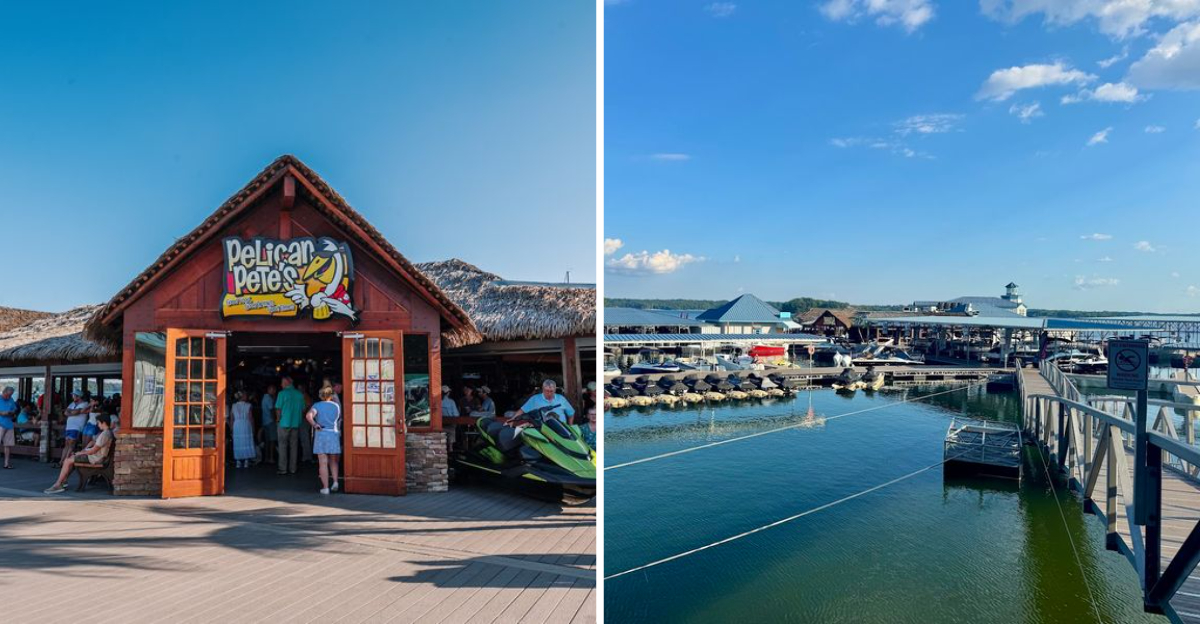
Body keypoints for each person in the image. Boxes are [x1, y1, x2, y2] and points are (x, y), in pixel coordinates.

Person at [44, 413, 113, 494]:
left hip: (95, 458)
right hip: (96, 456)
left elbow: (93, 451)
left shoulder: (104, 434)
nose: (97, 425)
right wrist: (84, 450)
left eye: (98, 423)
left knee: (67, 460)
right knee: (72, 458)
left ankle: (58, 484)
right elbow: (94, 442)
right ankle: (64, 481)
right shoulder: (107, 433)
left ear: (103, 422)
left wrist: (80, 453)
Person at [306, 386, 342, 495]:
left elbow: (308, 416)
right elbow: (338, 418)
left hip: (322, 434)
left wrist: (315, 424)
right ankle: (335, 482)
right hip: (333, 434)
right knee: (333, 461)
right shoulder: (336, 406)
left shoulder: (317, 405)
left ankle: (325, 488)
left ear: (320, 395)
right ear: (330, 395)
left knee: (323, 463)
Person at [275, 376, 305, 475]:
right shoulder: (299, 394)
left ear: (286, 383)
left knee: (282, 446)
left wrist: (278, 419)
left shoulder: (281, 393)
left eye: (282, 382)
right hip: (295, 423)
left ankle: (283, 468)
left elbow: (278, 409)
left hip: (283, 423)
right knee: (294, 446)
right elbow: (303, 409)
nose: (281, 385)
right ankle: (293, 468)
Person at [59, 390, 90, 467]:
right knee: (66, 444)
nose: (73, 397)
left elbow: (75, 412)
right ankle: (61, 462)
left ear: (79, 397)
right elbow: (66, 413)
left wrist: (72, 412)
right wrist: (75, 412)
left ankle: (65, 462)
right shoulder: (72, 403)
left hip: (77, 426)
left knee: (71, 443)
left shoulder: (85, 404)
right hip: (69, 426)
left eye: (74, 395)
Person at [231, 391, 255, 468]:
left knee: (238, 442)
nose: (246, 396)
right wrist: (253, 427)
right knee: (246, 441)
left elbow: (232, 418)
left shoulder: (233, 406)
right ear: (242, 397)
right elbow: (250, 417)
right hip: (245, 424)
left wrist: (232, 428)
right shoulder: (248, 405)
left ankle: (238, 461)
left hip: (237, 425)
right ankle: (246, 461)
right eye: (245, 395)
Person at [0, 387, 17, 469]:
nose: (9, 396)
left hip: (9, 425)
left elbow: (14, 409)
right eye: (8, 395)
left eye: (10, 395)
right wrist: (2, 413)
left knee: (8, 445)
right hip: (0, 424)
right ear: (4, 392)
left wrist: (11, 412)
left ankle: (6, 464)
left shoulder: (11, 399)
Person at [260, 384, 277, 464]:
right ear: (270, 390)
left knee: (267, 441)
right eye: (273, 390)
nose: (274, 392)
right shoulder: (269, 398)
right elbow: (271, 410)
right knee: (272, 440)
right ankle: (271, 458)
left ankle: (266, 458)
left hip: (265, 421)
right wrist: (275, 419)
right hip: (270, 421)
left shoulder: (264, 397)